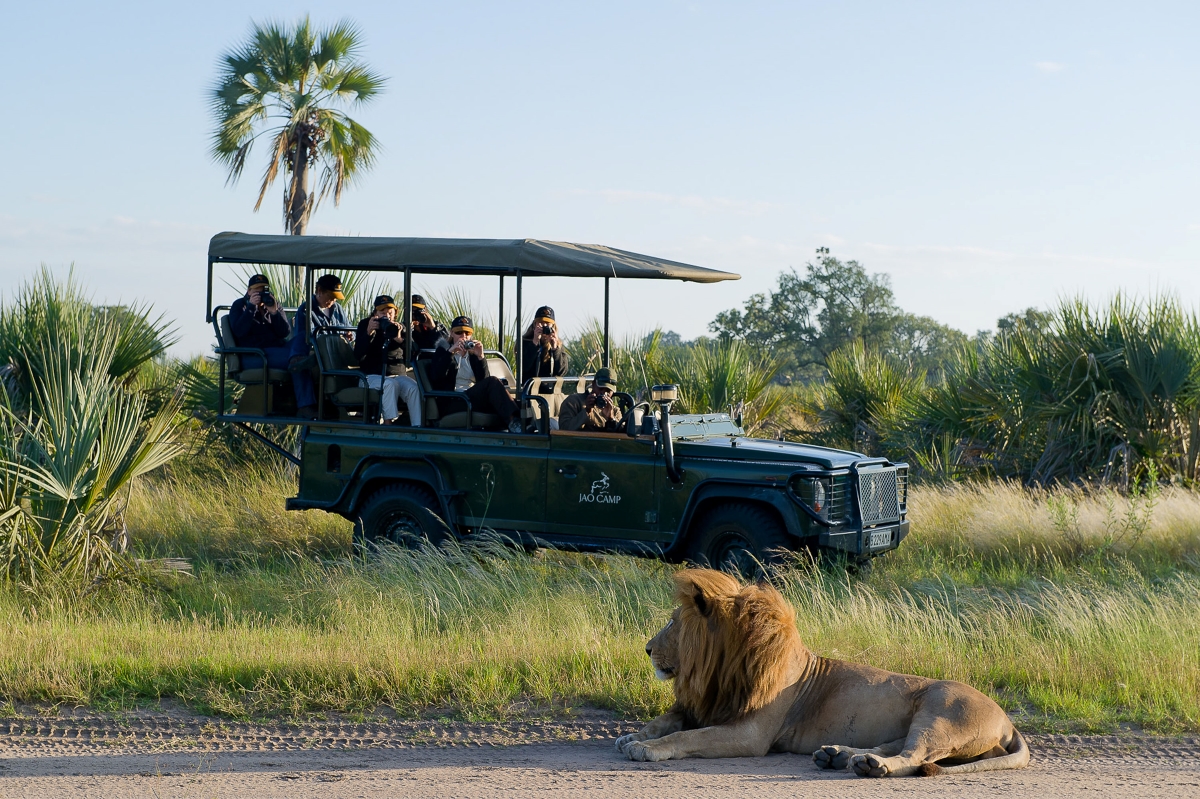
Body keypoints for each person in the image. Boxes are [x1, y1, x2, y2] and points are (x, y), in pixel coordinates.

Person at [428, 316, 521, 432]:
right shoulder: (443, 351)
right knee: (493, 381)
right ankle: (515, 424)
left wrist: (480, 357)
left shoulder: (472, 355)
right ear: (452, 333)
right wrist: (451, 352)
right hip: (453, 400)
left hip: (471, 398)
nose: (463, 336)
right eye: (459, 332)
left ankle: (523, 424)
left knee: (517, 401)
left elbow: (484, 380)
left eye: (467, 333)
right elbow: (436, 376)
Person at [354, 295, 422, 425]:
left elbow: (414, 352)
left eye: (389, 312)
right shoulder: (366, 324)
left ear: (395, 313)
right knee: (389, 384)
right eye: (382, 313)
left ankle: (417, 426)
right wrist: (369, 332)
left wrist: (399, 338)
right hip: (370, 376)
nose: (386, 316)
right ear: (375, 314)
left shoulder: (400, 327)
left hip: (397, 375)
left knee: (414, 388)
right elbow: (358, 355)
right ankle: (388, 423)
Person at [290, 274, 351, 419]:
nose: (333, 300)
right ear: (319, 291)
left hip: (338, 353)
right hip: (319, 353)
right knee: (310, 362)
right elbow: (307, 337)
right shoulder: (306, 310)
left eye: (335, 297)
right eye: (330, 296)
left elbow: (347, 329)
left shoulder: (338, 309)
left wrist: (348, 335)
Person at [228, 274, 291, 372]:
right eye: (257, 292)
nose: (261, 295)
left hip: (276, 349)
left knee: (301, 342)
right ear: (249, 291)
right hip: (255, 354)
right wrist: (251, 307)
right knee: (295, 360)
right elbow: (239, 331)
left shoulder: (273, 304)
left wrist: (274, 313)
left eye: (264, 291)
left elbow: (284, 332)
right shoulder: (239, 305)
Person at [558, 367, 624, 432]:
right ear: (593, 384)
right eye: (600, 389)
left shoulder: (614, 411)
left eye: (608, 391)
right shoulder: (574, 402)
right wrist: (586, 411)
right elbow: (564, 430)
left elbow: (622, 437)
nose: (604, 394)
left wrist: (611, 419)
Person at [521, 305, 569, 387]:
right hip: (530, 390)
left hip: (550, 392)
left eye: (547, 324)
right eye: (541, 323)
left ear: (553, 326)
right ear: (534, 324)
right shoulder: (524, 342)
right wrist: (534, 342)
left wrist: (555, 349)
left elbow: (562, 371)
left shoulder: (558, 345)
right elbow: (524, 367)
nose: (544, 326)